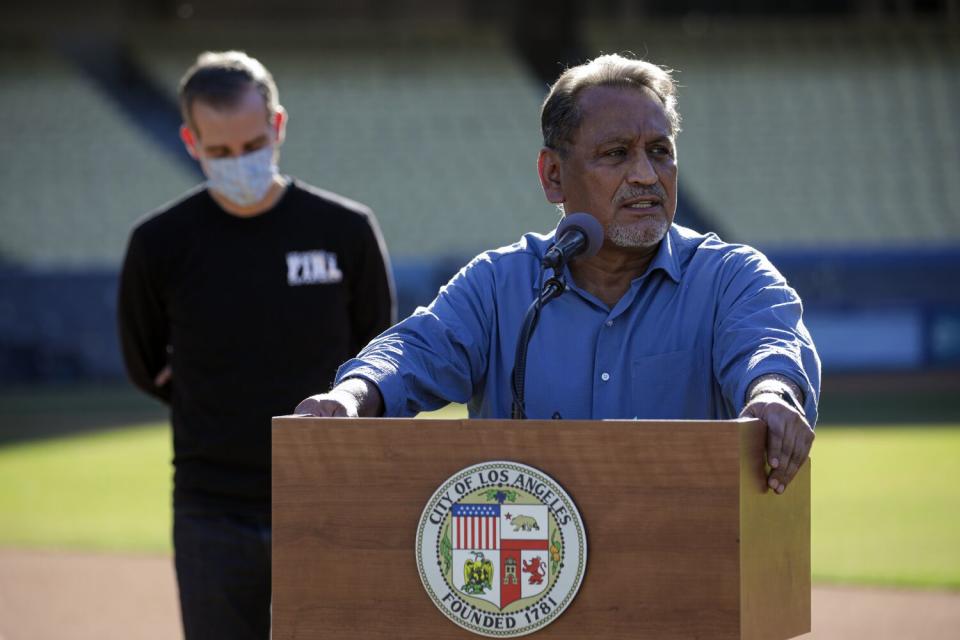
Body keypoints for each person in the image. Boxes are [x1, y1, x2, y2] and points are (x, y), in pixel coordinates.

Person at [295, 53, 819, 496]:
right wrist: (351, 396)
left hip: (687, 582)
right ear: (552, 175)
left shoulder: (731, 277)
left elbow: (770, 348)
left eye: (660, 152)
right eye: (616, 154)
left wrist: (772, 393)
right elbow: (412, 352)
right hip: (529, 597)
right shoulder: (499, 285)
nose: (645, 174)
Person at [117, 51, 395, 639]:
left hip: (329, 498)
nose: (237, 162)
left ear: (277, 127)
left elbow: (380, 358)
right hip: (211, 508)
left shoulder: (345, 230)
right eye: (218, 152)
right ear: (191, 142)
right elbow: (145, 363)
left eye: (250, 145)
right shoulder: (158, 243)